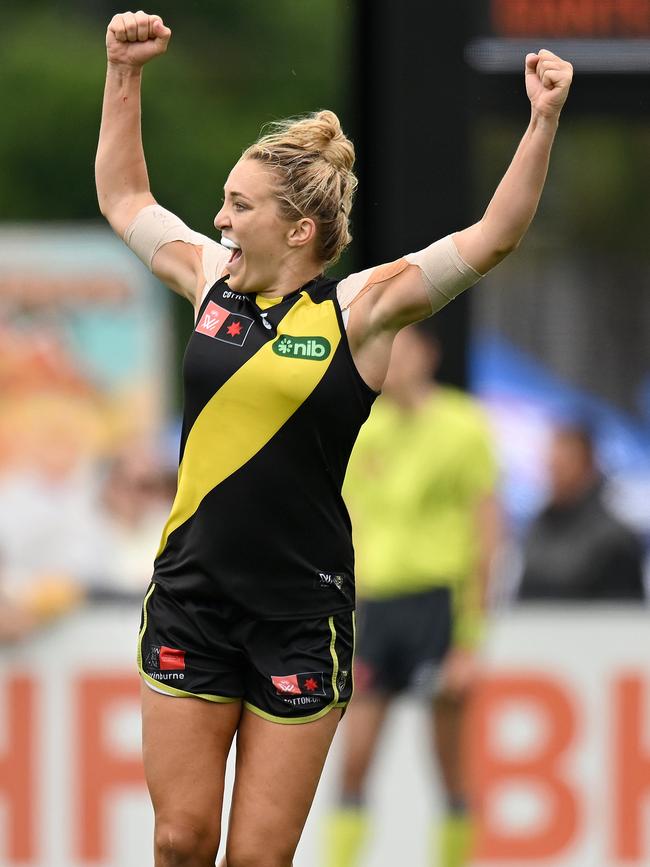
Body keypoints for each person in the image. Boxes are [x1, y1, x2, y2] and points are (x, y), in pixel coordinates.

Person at [95, 10, 573, 867]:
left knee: (257, 859)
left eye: (239, 207)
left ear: (300, 230)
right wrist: (121, 75)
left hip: (299, 617)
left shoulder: (359, 312)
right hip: (192, 599)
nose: (221, 219)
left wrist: (540, 123)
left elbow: (492, 238)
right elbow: (127, 198)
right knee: (179, 837)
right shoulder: (209, 281)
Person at [325, 325, 500, 867]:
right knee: (354, 759)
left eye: (403, 349)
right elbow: (344, 529)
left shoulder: (463, 425)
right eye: (384, 350)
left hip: (436, 604)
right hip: (379, 608)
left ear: (429, 353)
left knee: (447, 761)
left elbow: (487, 533)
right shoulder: (366, 429)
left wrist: (469, 641)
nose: (392, 362)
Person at [517, 422, 645, 601]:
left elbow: (626, 617)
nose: (554, 476)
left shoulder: (615, 539)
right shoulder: (539, 526)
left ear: (587, 467)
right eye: (551, 467)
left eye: (562, 467)